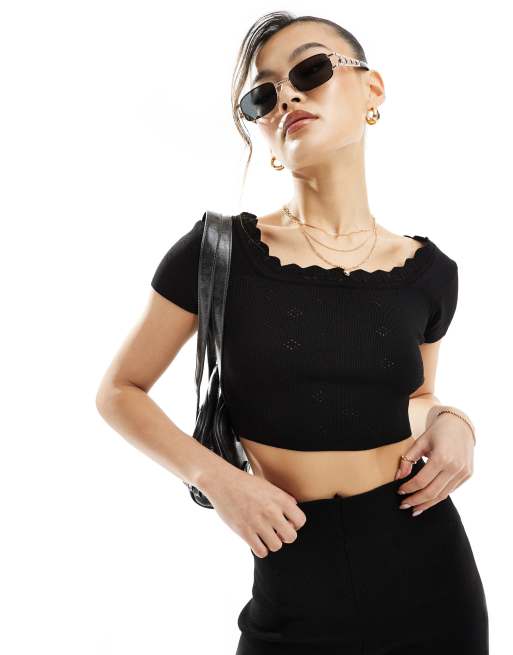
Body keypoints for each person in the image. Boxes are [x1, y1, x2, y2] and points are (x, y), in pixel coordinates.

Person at [96, 11, 489, 655]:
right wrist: (219, 480)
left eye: (309, 71)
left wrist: (455, 422)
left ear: (372, 90)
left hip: (428, 564)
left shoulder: (429, 272)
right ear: (264, 132)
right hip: (290, 574)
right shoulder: (218, 252)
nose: (287, 96)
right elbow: (120, 390)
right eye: (262, 94)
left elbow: (417, 397)